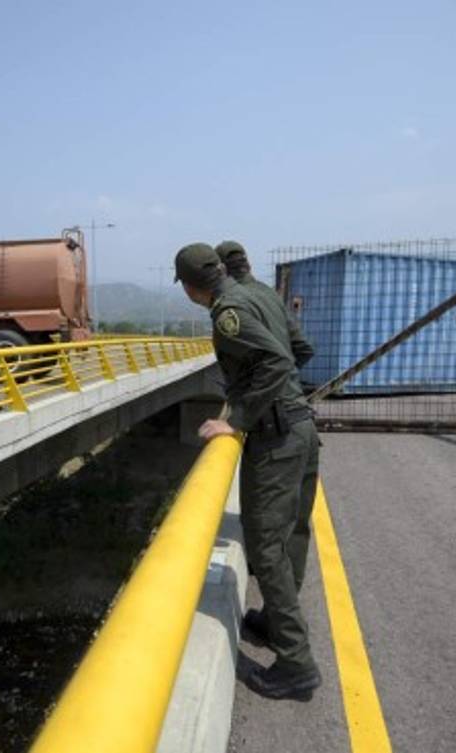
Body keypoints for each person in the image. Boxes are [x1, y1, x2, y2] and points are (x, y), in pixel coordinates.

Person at [173, 242, 322, 700]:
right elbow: (300, 350)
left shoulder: (227, 312)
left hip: (276, 438)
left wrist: (237, 417)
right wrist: (283, 396)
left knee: (266, 544)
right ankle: (279, 625)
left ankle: (295, 664)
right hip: (300, 426)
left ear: (192, 288)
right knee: (294, 531)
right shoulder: (260, 294)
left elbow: (276, 360)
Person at [215, 240, 314, 370]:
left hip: (256, 389)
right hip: (288, 388)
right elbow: (304, 348)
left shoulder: (230, 302)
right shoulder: (271, 294)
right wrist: (288, 377)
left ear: (221, 270)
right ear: (248, 266)